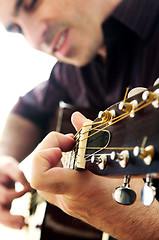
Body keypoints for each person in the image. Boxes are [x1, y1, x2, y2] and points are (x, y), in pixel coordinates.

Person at [0, 0, 159, 239]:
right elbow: (28, 110)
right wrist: (4, 160)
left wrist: (145, 226)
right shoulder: (70, 72)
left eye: (31, 3)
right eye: (18, 29)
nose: (34, 38)